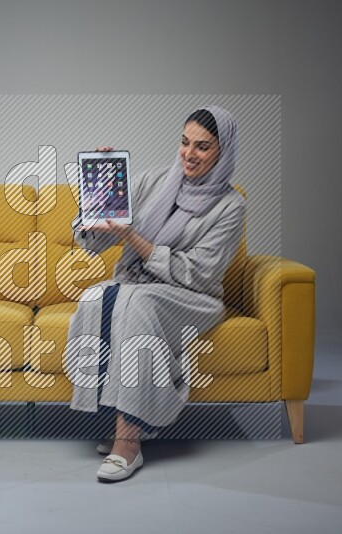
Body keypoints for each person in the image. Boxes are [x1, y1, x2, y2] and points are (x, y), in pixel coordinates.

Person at [66, 105, 246, 482]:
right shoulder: (152, 181)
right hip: (137, 285)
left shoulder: (230, 205)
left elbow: (199, 272)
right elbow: (94, 242)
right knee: (96, 297)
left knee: (136, 301)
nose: (189, 154)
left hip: (191, 297)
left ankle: (128, 443)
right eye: (184, 143)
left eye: (202, 147)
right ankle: (119, 420)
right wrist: (97, 194)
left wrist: (134, 237)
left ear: (222, 151)